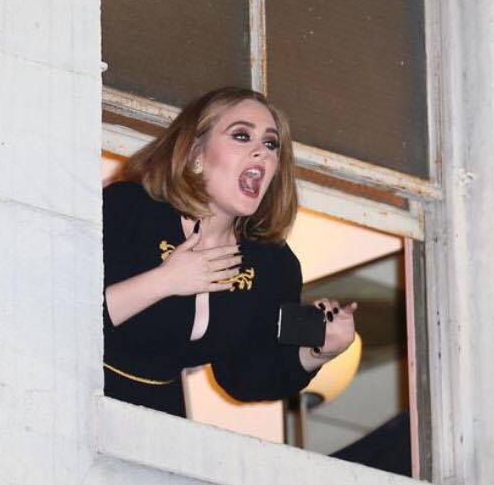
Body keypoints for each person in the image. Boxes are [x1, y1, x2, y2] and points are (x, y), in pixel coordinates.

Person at [103, 86, 357, 417]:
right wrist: (165, 281)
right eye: (241, 136)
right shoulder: (130, 208)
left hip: (160, 419)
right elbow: (69, 312)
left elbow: (244, 379)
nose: (262, 152)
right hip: (77, 390)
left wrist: (319, 351)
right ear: (195, 153)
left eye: (270, 144)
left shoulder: (271, 265)